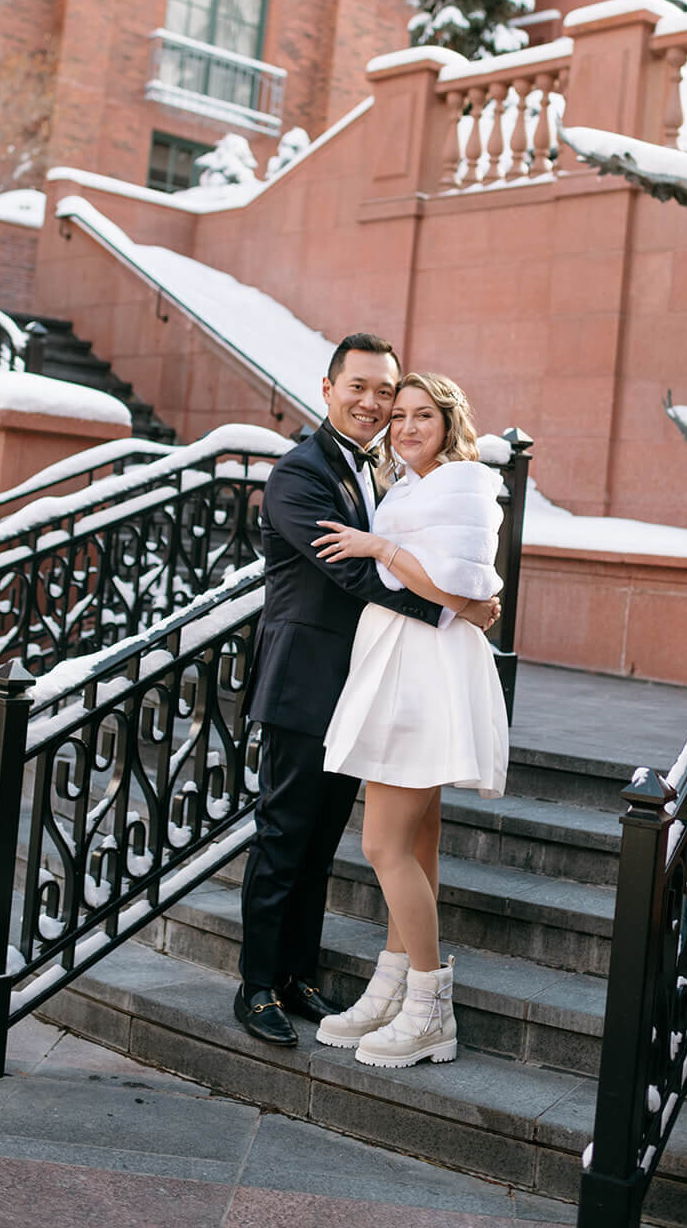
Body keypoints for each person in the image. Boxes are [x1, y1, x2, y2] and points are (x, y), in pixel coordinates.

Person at [234, 336, 499, 1048]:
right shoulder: (299, 474)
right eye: (360, 388)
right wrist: (454, 609)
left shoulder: (386, 472)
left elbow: (427, 549)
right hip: (302, 682)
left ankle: (297, 976)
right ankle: (257, 984)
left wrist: (455, 593)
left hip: (366, 681)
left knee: (321, 842)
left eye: (384, 392)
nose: (373, 403)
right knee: (284, 834)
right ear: (327, 389)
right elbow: (349, 575)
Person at [311, 372, 509, 1069]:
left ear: (450, 422)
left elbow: (458, 587)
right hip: (404, 659)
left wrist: (381, 549)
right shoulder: (412, 485)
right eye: (398, 417)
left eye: (422, 415)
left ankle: (429, 1007)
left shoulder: (461, 482)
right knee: (416, 844)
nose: (405, 427)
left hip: (425, 671)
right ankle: (392, 986)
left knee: (381, 845)